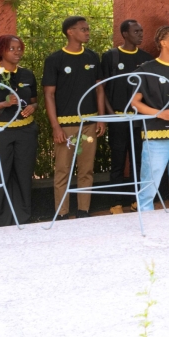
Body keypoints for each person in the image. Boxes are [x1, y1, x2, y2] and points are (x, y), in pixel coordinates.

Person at [43, 16, 106, 219]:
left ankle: (83, 211)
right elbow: (49, 94)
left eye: (88, 29)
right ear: (70, 32)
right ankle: (61, 213)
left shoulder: (92, 57)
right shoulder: (55, 59)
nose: (87, 32)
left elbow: (99, 90)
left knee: (86, 169)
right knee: (63, 170)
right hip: (66, 125)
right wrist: (55, 126)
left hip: (89, 123)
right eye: (83, 29)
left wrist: (101, 118)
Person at [0, 35, 39, 226]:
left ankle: (23, 217)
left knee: (23, 175)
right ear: (1, 51)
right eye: (12, 48)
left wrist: (32, 108)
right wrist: (3, 103)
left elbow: (35, 102)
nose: (17, 52)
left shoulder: (27, 74)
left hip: (25, 131)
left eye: (19, 48)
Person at [130, 27, 169, 212]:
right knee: (150, 182)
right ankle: (146, 219)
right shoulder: (147, 69)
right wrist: (159, 113)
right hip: (155, 135)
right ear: (163, 43)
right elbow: (135, 103)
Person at [100, 20, 153, 208]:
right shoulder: (111, 56)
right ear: (124, 34)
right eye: (136, 31)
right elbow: (102, 89)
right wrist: (111, 115)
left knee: (139, 160)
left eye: (141, 31)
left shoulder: (147, 59)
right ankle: (115, 203)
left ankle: (135, 200)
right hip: (118, 119)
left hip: (139, 119)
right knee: (118, 160)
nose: (140, 34)